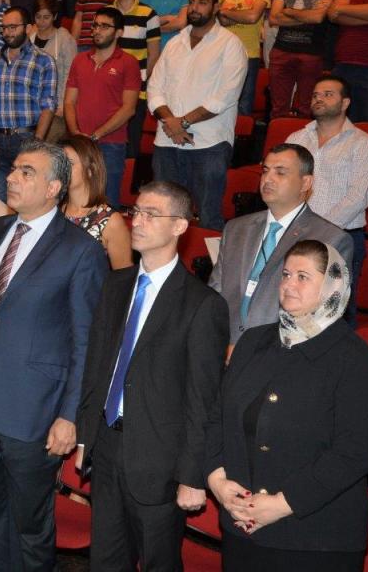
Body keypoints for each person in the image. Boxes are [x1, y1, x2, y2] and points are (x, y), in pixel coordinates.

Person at [0, 141, 106, 572]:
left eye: (26, 172)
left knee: (30, 524)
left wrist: (70, 415)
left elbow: (85, 342)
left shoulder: (80, 249)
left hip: (35, 409)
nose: (12, 178)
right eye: (14, 169)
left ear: (54, 187)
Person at [206, 240, 368, 571]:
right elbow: (217, 416)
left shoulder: (356, 360)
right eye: (286, 274)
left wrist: (283, 503)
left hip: (316, 538)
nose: (289, 284)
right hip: (242, 527)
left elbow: (355, 452)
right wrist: (217, 480)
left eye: (303, 277)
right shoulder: (253, 342)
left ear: (332, 285)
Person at [77, 180, 227, 572]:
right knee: (105, 561)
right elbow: (97, 366)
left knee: (159, 563)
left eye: (150, 214)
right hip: (107, 446)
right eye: (135, 212)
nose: (137, 221)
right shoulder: (116, 284)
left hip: (159, 461)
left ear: (179, 225)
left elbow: (203, 400)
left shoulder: (202, 305)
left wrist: (192, 476)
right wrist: (86, 435)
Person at [209, 143, 353, 348]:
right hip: (224, 346)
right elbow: (215, 293)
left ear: (306, 183)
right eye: (265, 171)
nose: (267, 179)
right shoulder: (236, 228)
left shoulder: (330, 239)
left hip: (281, 351)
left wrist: (260, 353)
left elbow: (322, 315)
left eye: (280, 172)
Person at [148, 0, 248, 230]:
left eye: (202, 3)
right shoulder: (175, 43)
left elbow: (225, 96)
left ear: (216, 7)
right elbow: (155, 88)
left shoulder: (230, 44)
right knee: (163, 217)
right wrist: (172, 123)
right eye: (191, 2)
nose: (194, 8)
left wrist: (181, 122)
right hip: (167, 142)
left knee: (208, 218)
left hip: (209, 144)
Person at [287, 75, 368, 322]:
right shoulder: (296, 139)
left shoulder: (363, 143)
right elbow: (284, 185)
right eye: (315, 95)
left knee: (335, 312)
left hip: (341, 236)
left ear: (345, 102)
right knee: (294, 306)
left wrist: (317, 230)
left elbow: (359, 197)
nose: (319, 99)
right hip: (296, 233)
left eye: (328, 94)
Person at [0, 7, 58, 200]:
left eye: (13, 27)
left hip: (25, 138)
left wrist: (37, 140)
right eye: (4, 28)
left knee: (23, 197)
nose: (7, 32)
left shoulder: (44, 61)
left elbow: (48, 105)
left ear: (28, 28)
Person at [65, 7, 142, 206]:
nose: (97, 30)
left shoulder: (128, 62)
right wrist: (76, 134)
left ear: (119, 32)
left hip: (111, 145)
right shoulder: (79, 60)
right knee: (75, 202)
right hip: (79, 143)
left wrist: (95, 135)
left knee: (107, 204)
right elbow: (69, 102)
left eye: (105, 26)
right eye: (95, 25)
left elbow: (129, 109)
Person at [268, 0, 341, 118]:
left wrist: (289, 11)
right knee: (277, 110)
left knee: (307, 110)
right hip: (282, 49)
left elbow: (318, 18)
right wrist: (308, 14)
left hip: (312, 52)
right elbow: (274, 18)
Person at [60, 134, 133, 269]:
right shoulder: (53, 210)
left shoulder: (110, 221)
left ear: (91, 169)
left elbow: (123, 275)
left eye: (69, 163)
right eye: (59, 163)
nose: (61, 169)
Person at [216, 0, 272, 116]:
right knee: (218, 104)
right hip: (221, 53)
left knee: (243, 108)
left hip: (249, 54)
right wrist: (239, 14)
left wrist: (225, 11)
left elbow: (253, 17)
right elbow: (221, 22)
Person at [112, 0, 161, 157]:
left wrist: (140, 81)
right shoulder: (106, 13)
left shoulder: (148, 14)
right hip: (110, 87)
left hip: (136, 90)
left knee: (130, 143)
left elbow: (154, 55)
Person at [29, 0, 77, 142]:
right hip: (31, 108)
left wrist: (63, 104)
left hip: (56, 108)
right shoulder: (29, 38)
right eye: (38, 17)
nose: (41, 21)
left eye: (46, 17)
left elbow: (71, 73)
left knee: (48, 148)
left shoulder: (64, 38)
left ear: (55, 16)